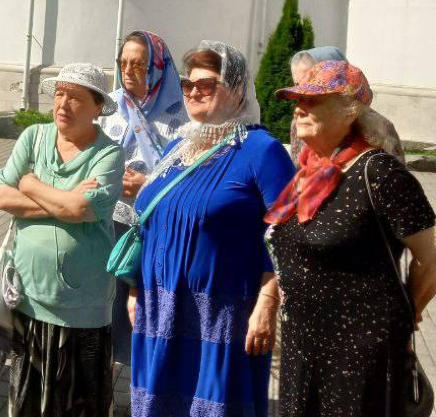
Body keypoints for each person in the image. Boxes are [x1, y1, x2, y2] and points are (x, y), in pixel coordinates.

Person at [129, 41, 295, 417]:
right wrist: (135, 290)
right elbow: (152, 224)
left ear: (236, 88)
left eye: (207, 84)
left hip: (221, 318)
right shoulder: (177, 147)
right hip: (159, 308)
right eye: (188, 84)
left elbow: (289, 237)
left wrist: (267, 304)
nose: (193, 92)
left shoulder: (261, 150)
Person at [265, 60, 436, 417]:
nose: (299, 107)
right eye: (297, 98)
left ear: (349, 111)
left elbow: (432, 255)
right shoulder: (307, 173)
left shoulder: (380, 173)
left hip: (359, 356)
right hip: (303, 347)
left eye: (313, 100)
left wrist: (409, 309)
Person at [0, 63, 124, 417]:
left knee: (77, 404)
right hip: (30, 297)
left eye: (76, 97)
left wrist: (32, 184)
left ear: (98, 108)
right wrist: (64, 200)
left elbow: (79, 209)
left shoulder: (109, 155)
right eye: (59, 94)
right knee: (26, 401)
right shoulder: (34, 137)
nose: (63, 104)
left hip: (82, 308)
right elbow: (2, 199)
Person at [98, 31, 185, 367]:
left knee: (144, 313)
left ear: (158, 67)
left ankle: (143, 395)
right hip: (109, 221)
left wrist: (146, 184)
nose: (129, 70)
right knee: (106, 310)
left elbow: (188, 171)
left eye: (139, 63)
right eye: (123, 63)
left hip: (156, 227)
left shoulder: (179, 114)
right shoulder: (109, 106)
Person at [289, 46, 405, 164]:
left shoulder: (381, 127)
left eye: (313, 83)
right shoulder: (299, 123)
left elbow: (397, 172)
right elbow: (297, 165)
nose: (302, 92)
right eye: (298, 85)